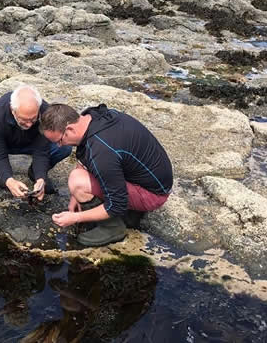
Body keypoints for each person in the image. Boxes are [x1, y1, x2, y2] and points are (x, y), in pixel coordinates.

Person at [39, 103, 173, 247]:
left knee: (77, 181)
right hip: (146, 176)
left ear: (70, 129)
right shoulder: (92, 117)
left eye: (59, 141)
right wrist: (74, 196)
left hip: (152, 194)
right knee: (79, 178)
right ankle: (130, 212)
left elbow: (116, 205)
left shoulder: (101, 151)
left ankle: (113, 228)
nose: (60, 146)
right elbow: (84, 155)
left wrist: (75, 217)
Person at [0, 85, 72, 200]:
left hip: (31, 144)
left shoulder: (46, 113)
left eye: (33, 119)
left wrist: (40, 177)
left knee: (64, 146)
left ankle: (34, 172)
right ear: (13, 111)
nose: (29, 124)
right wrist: (8, 180)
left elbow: (41, 151)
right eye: (24, 120)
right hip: (5, 143)